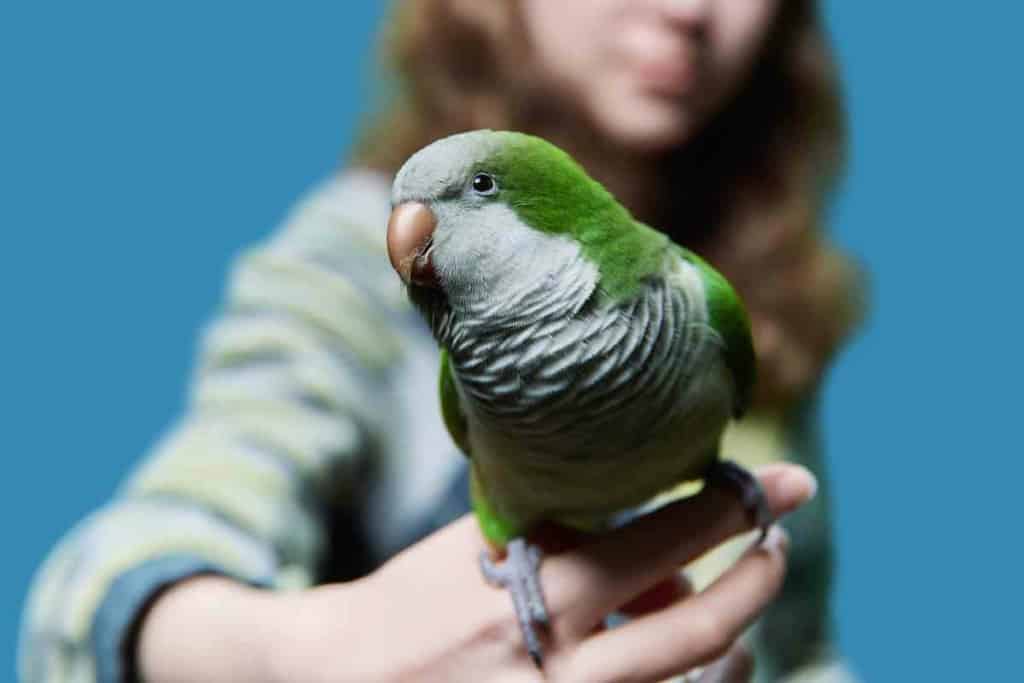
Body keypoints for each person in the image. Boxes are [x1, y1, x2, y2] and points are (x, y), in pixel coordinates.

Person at [19, 1, 863, 681]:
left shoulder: (761, 282)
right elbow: (112, 572)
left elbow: (799, 640)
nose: (689, 10)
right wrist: (300, 652)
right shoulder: (351, 270)